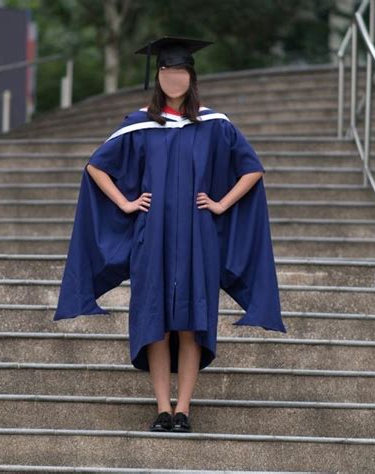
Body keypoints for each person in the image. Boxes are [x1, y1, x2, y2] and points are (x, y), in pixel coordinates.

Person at [53, 36, 287, 434]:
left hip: (199, 239)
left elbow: (253, 169)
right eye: (166, 71)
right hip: (152, 237)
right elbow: (96, 166)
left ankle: (184, 409)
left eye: (179, 71)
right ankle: (162, 408)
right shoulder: (140, 124)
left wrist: (220, 203)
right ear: (158, 77)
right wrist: (126, 204)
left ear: (190, 76)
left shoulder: (214, 125)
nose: (173, 77)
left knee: (190, 323)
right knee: (155, 322)